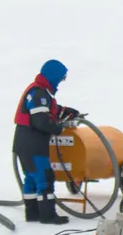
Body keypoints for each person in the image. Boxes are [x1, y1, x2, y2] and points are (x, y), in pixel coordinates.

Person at [11, 59, 76, 224]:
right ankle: (48, 215)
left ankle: (32, 213)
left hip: (23, 143)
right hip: (33, 144)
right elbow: (40, 120)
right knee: (44, 178)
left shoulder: (39, 92)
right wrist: (58, 128)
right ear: (53, 76)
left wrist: (64, 111)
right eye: (61, 78)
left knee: (32, 179)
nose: (61, 81)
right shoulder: (39, 93)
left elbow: (46, 110)